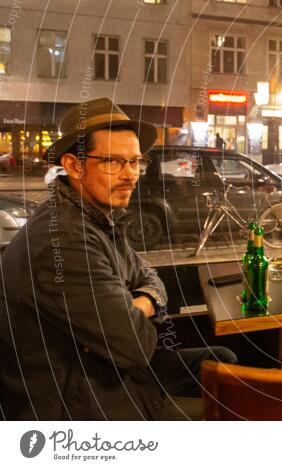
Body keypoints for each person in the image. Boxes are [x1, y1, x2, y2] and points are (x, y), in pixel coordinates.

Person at [0, 98, 237, 420]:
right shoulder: (64, 241)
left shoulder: (94, 217)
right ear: (73, 166)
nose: (130, 175)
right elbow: (135, 345)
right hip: (78, 399)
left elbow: (151, 278)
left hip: (105, 366)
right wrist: (134, 313)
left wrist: (138, 305)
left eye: (136, 162)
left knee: (221, 360)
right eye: (113, 162)